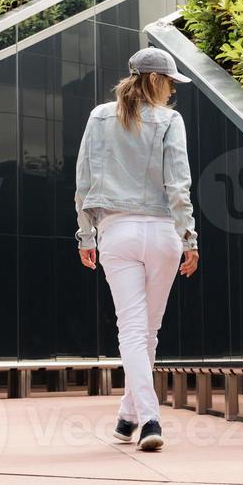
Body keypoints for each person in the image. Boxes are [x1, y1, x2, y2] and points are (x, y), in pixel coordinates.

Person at [74, 47, 199, 452]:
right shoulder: (170, 120)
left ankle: (133, 414)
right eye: (170, 84)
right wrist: (189, 238)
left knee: (132, 329)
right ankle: (147, 419)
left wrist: (85, 235)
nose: (172, 92)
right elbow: (179, 185)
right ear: (158, 82)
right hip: (163, 232)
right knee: (148, 330)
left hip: (117, 230)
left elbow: (83, 183)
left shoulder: (99, 116)